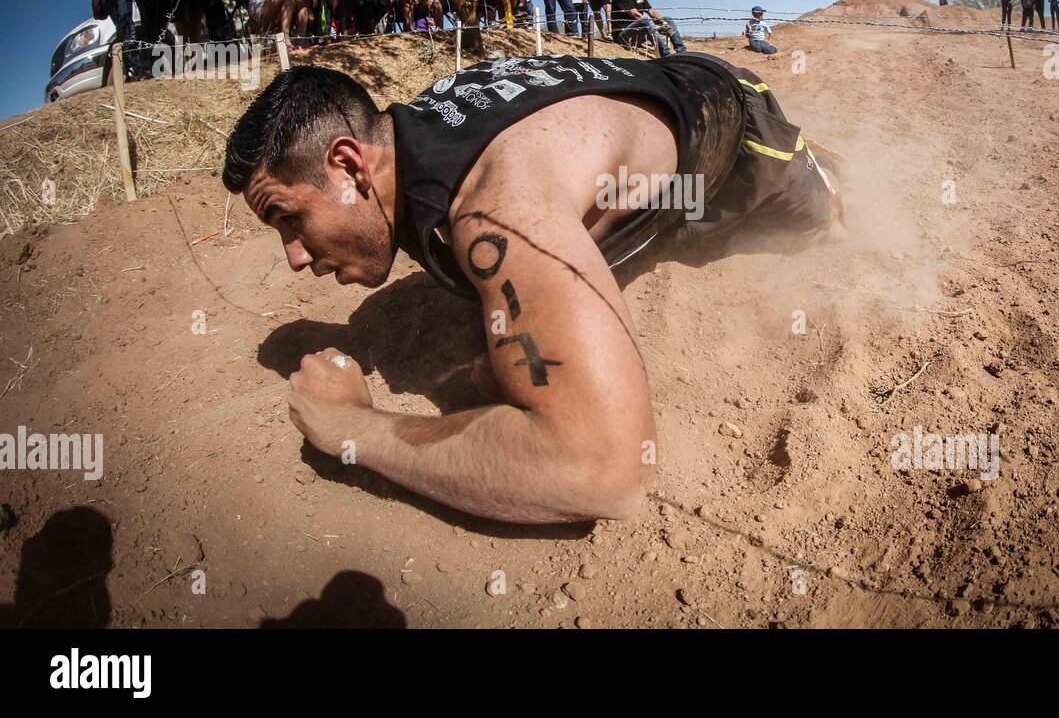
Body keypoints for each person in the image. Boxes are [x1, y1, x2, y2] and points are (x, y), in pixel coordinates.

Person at [221, 52, 844, 523]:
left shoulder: (497, 207)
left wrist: (354, 426)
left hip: (728, 115)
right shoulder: (403, 141)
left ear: (349, 165)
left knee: (825, 227)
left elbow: (606, 469)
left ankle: (824, 167)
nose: (295, 257)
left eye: (288, 218)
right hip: (635, 122)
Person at [611, 0, 686, 56]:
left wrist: (663, 23)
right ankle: (666, 54)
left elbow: (651, 11)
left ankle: (682, 51)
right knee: (644, 21)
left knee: (668, 19)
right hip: (623, 35)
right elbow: (635, 14)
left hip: (640, 32)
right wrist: (653, 26)